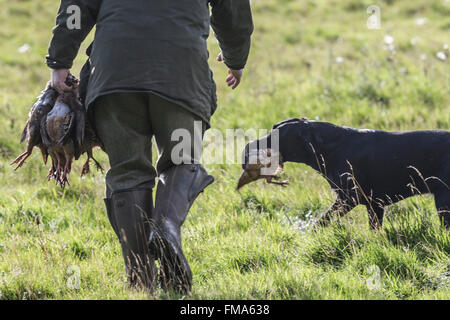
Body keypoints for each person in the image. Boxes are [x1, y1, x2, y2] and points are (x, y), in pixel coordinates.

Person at [46, 1, 253, 293]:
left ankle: (141, 278)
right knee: (182, 160)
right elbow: (232, 10)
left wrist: (60, 61)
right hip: (181, 74)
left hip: (115, 72)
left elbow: (78, 5)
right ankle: (167, 228)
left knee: (128, 172)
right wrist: (235, 58)